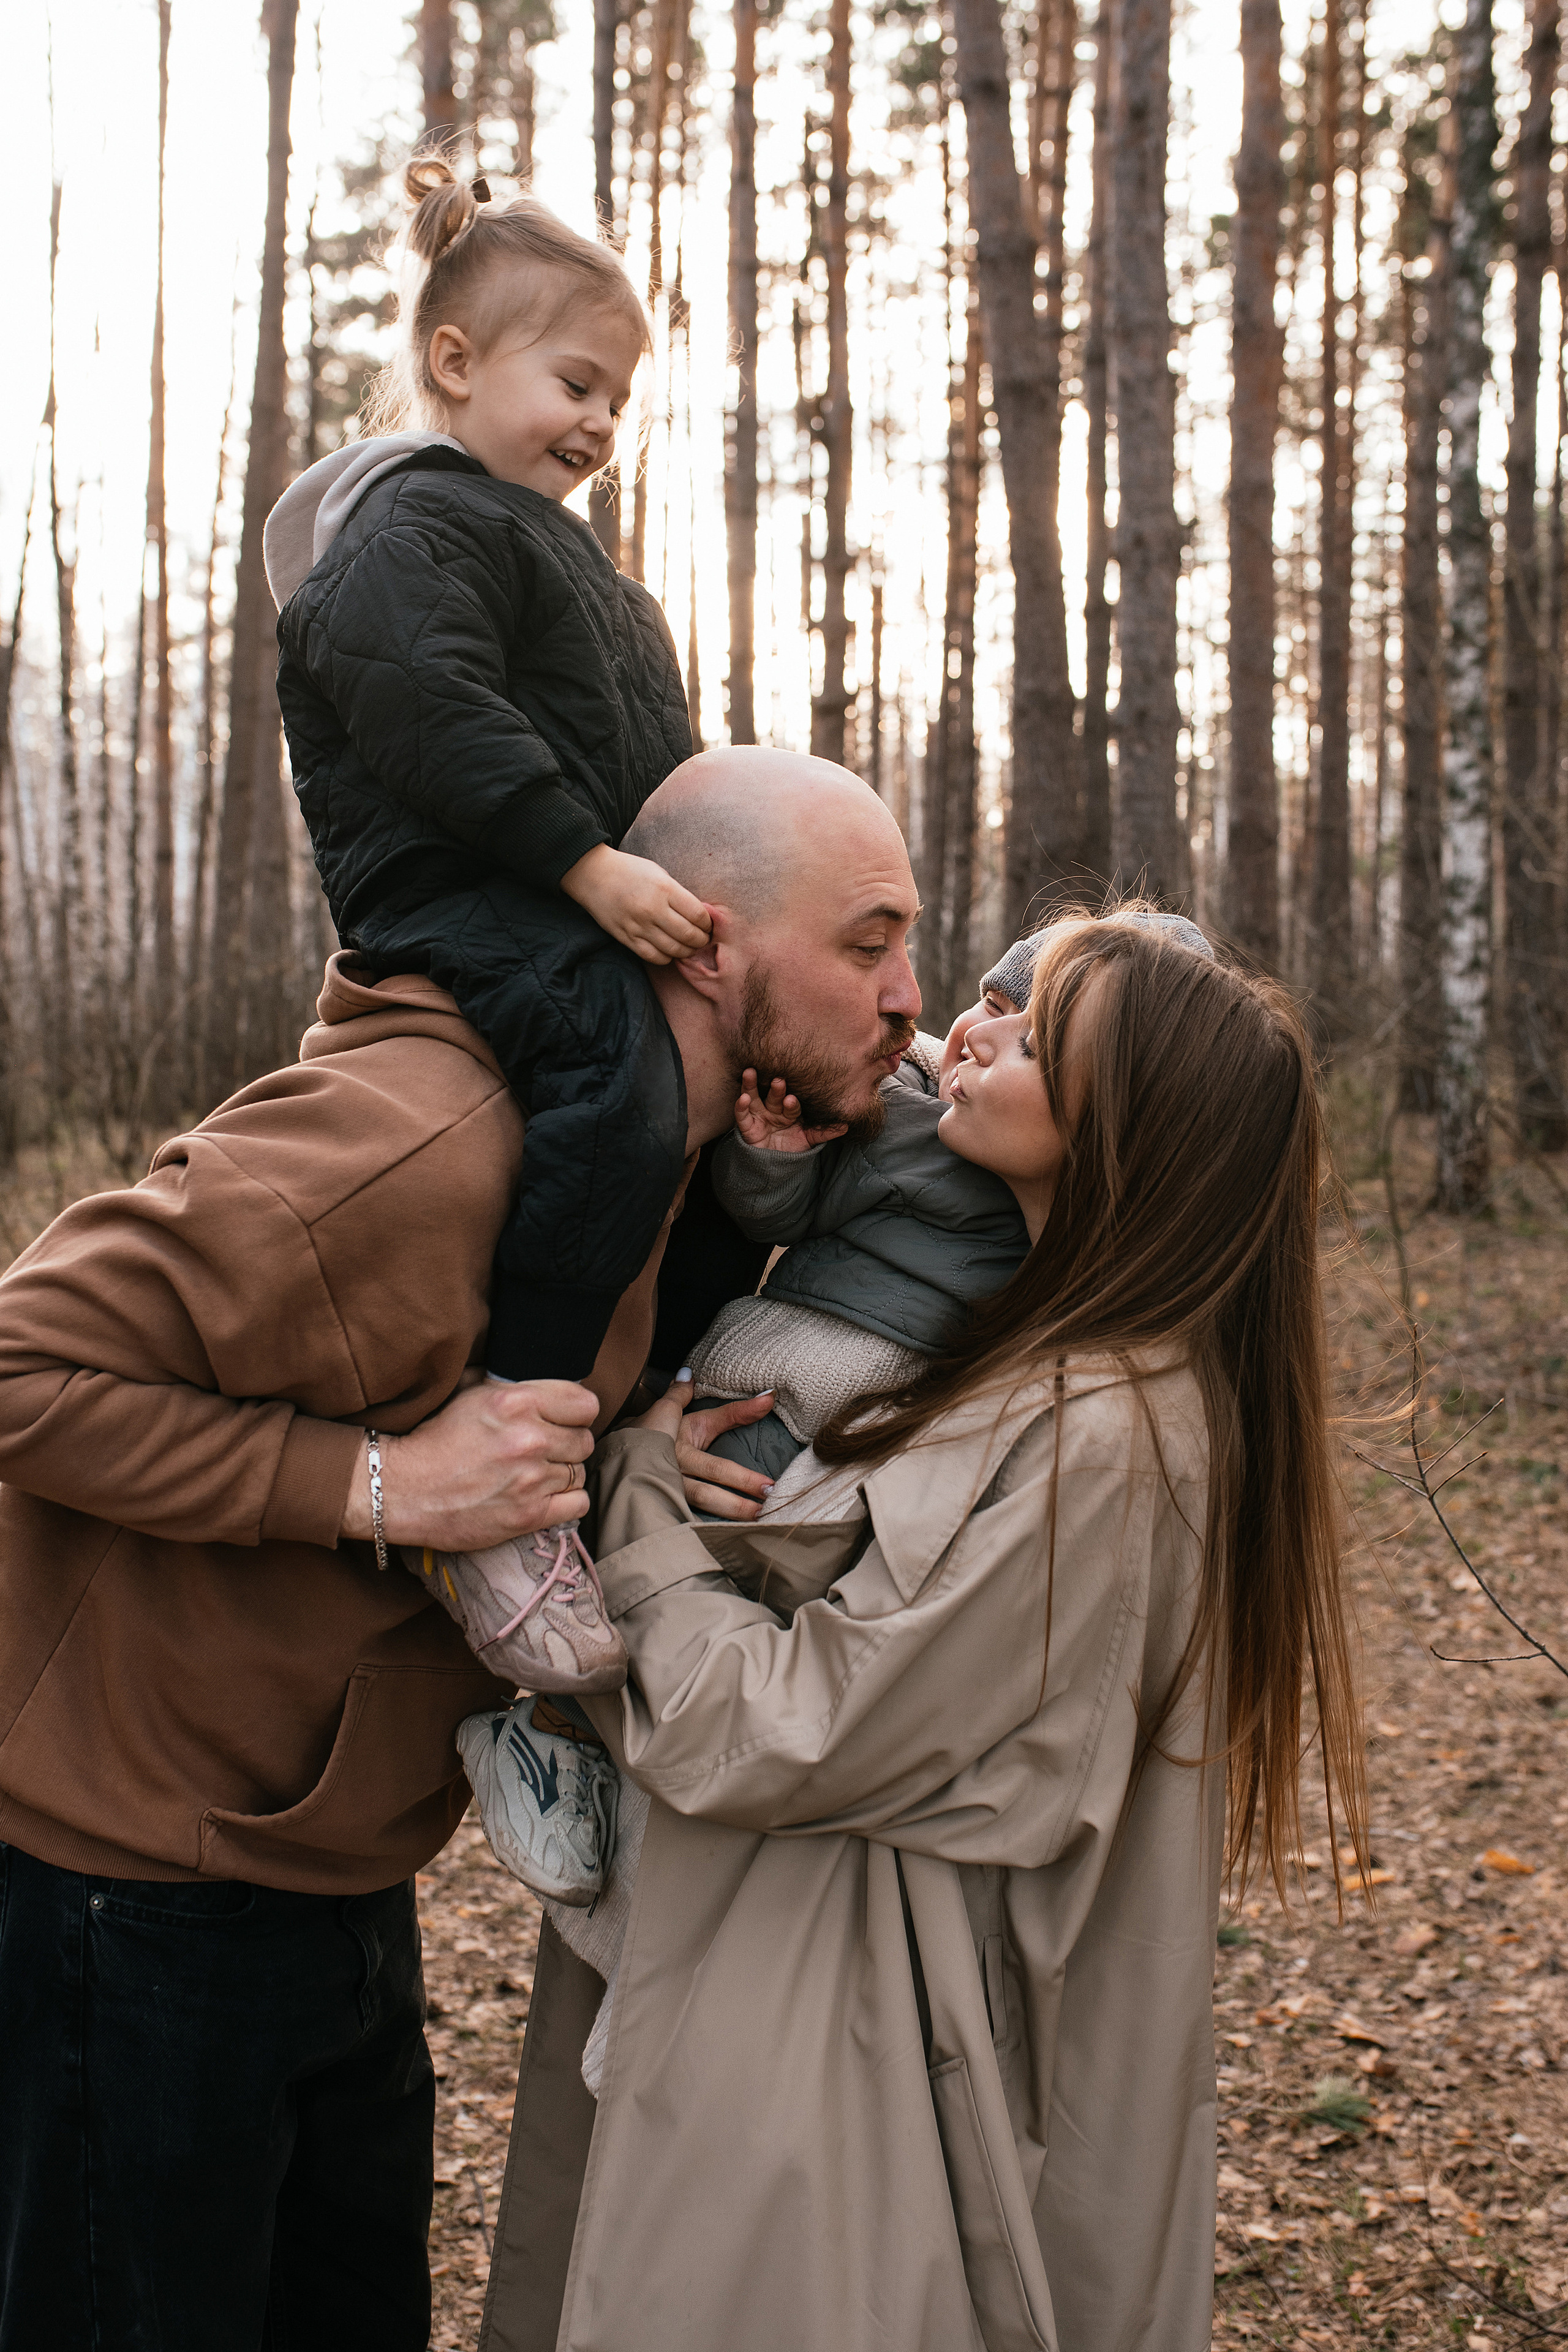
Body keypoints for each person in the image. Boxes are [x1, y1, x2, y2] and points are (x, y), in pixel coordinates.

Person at [0, 748, 921, 2352]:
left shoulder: (644, 1165)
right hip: (125, 1889)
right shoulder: (415, 1143)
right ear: (707, 944)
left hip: (333, 1860)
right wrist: (382, 1486)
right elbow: (22, 1367)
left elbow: (481, 1396)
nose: (909, 997)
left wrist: (615, 1450)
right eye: (868, 943)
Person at [480, 913, 1366, 2352]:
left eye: (1037, 1032)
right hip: (810, 1985)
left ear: (1117, 1128)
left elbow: (781, 1729)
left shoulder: (1103, 1430)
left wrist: (635, 1491)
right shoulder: (1029, 1348)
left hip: (847, 2045)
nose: (974, 1029)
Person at [265, 157, 709, 1708]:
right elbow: (432, 711)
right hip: (467, 892)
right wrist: (586, 867)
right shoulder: (408, 527)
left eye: (618, 402)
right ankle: (511, 1468)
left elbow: (647, 754)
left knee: (722, 1099)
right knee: (618, 1081)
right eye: (575, 383)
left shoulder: (560, 555)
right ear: (455, 363)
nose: (599, 423)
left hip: (574, 882)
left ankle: (654, 1399)